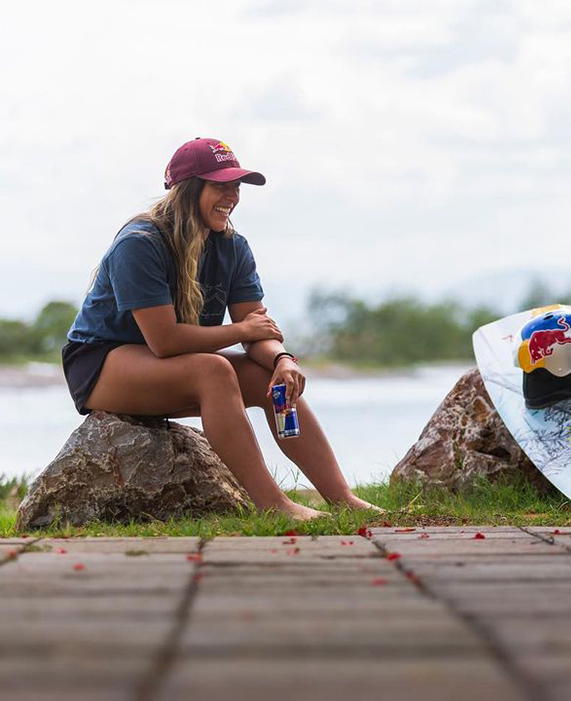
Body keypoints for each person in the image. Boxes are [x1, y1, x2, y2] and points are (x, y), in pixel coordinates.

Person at [62, 137, 379, 521]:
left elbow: (256, 326)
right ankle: (274, 505)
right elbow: (165, 342)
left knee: (269, 376)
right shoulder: (141, 243)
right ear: (188, 189)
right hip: (101, 363)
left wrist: (282, 359)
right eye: (220, 185)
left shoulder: (233, 247)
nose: (232, 196)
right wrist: (243, 332)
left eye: (236, 186)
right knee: (212, 369)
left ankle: (344, 498)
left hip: (168, 365)